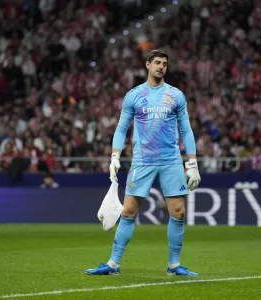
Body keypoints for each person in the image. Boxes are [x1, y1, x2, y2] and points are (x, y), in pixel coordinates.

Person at [86, 50, 201, 276]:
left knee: (178, 212)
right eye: (157, 62)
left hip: (171, 161)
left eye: (165, 64)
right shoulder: (134, 95)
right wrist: (115, 156)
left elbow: (186, 130)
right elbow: (121, 128)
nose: (161, 66)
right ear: (147, 65)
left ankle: (174, 265)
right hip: (142, 160)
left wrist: (193, 163)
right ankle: (113, 264)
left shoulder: (176, 95)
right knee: (128, 211)